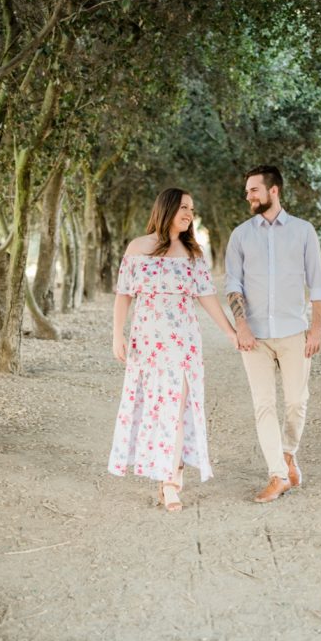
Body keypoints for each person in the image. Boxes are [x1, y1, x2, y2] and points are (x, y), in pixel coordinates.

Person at [109, 188, 240, 511]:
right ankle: (161, 473)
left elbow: (207, 296)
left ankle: (171, 481)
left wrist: (230, 332)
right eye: (184, 207)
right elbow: (124, 295)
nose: (189, 214)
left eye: (192, 209)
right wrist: (117, 335)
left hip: (183, 343)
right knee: (155, 409)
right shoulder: (137, 248)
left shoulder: (193, 253)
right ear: (166, 209)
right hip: (147, 343)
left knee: (178, 408)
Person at [225, 165, 321, 503]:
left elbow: (317, 283)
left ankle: (287, 452)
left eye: (254, 190)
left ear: (273, 191)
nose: (249, 196)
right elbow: (233, 284)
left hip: (295, 332)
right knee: (263, 405)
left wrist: (316, 328)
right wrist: (241, 326)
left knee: (297, 401)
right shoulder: (240, 235)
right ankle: (277, 474)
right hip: (254, 337)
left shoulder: (303, 231)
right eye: (247, 191)